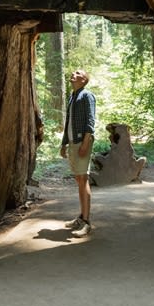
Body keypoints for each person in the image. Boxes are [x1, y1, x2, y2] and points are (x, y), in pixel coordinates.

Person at [60, 68, 96, 237]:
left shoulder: (87, 95)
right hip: (73, 143)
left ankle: (87, 222)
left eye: (77, 74)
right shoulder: (72, 97)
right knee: (79, 179)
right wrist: (63, 144)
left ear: (84, 80)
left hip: (83, 142)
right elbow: (68, 123)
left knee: (83, 178)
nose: (73, 75)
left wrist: (85, 144)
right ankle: (82, 217)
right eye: (73, 73)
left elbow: (90, 121)